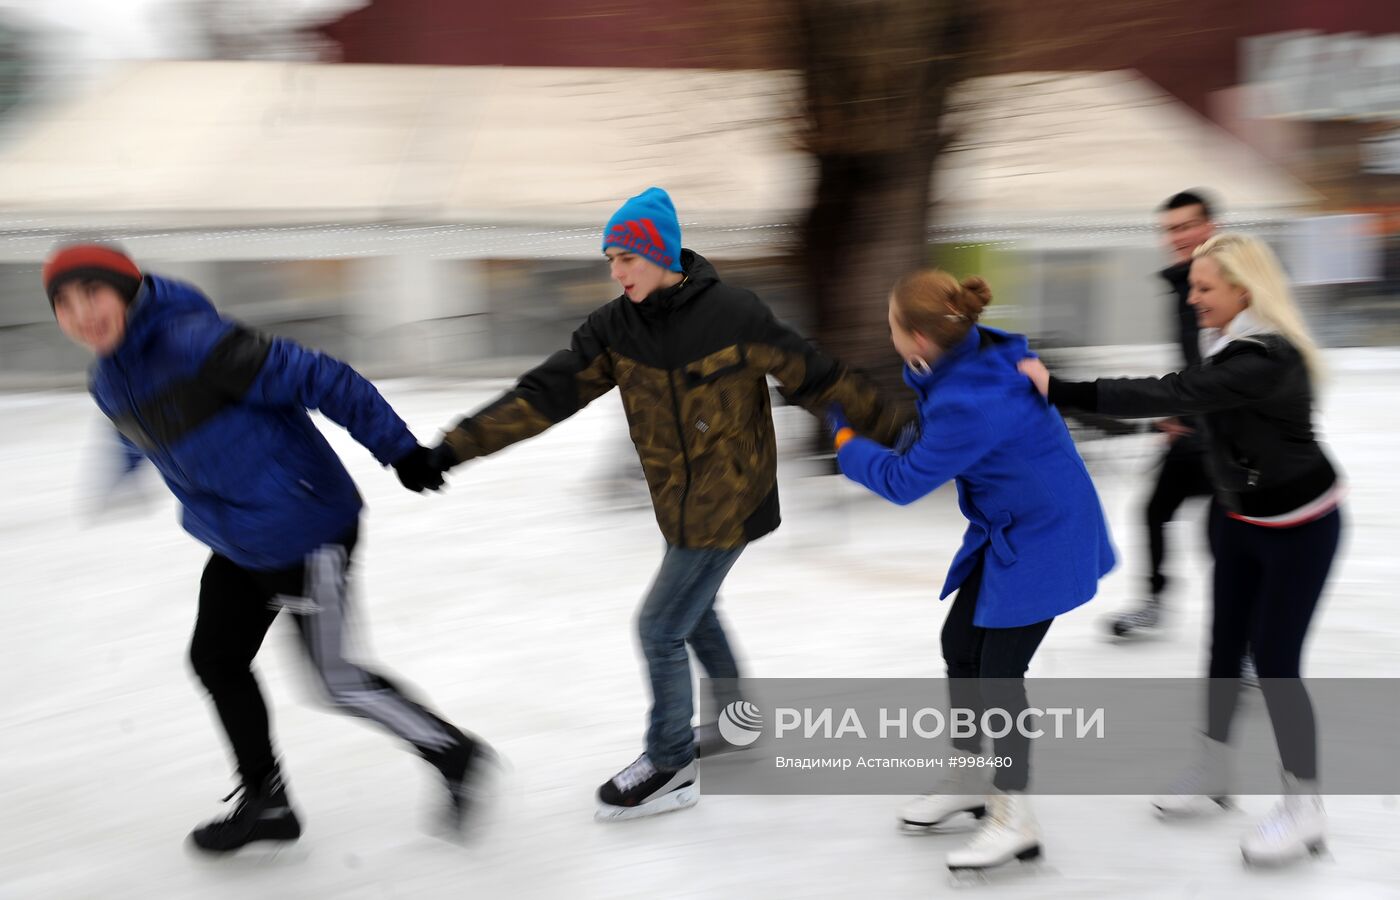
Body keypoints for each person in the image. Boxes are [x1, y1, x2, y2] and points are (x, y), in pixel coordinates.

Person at [405, 187, 913, 820]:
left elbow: (819, 378)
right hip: (677, 502)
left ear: (661, 254)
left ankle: (671, 762)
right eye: (610, 261)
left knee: (659, 627)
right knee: (694, 614)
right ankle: (737, 724)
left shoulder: (735, 314)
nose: (616, 273)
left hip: (732, 496)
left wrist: (900, 433)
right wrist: (450, 449)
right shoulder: (614, 329)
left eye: (626, 259)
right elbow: (540, 396)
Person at [44, 243, 491, 853]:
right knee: (216, 659)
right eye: (63, 304)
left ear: (125, 290)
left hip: (307, 530)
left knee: (335, 679)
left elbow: (323, 376)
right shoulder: (108, 376)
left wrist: (401, 451)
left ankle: (455, 753)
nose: (80, 313)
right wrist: (121, 469)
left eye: (91, 293)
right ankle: (267, 801)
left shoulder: (198, 342)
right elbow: (141, 424)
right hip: (238, 537)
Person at [1019, 233, 1344, 866]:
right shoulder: (1228, 342)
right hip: (1242, 517)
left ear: (1242, 292)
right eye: (1191, 286)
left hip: (1303, 527)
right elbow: (1203, 399)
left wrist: (1060, 390)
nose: (1193, 298)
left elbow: (1176, 390)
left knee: (1275, 661)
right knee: (1225, 648)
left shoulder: (1265, 357)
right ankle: (1216, 769)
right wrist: (1195, 425)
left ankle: (1305, 807)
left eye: (1204, 288)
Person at [829, 269, 1115, 873]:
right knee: (959, 643)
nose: (888, 334)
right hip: (1017, 524)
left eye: (891, 326)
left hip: (1046, 537)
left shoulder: (970, 402)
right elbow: (935, 428)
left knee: (999, 676)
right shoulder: (977, 355)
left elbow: (905, 481)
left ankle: (1014, 816)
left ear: (918, 338)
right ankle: (967, 776)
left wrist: (848, 441)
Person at [1108, 190, 1218, 639]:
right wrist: (1177, 412)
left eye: (1187, 225)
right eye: (1171, 229)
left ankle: (1249, 640)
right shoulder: (1182, 285)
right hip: (1197, 424)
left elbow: (1235, 364)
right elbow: (1198, 365)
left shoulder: (1225, 280)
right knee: (1154, 510)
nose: (1178, 236)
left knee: (1227, 537)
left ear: (1211, 227)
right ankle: (1152, 601)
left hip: (1231, 433)